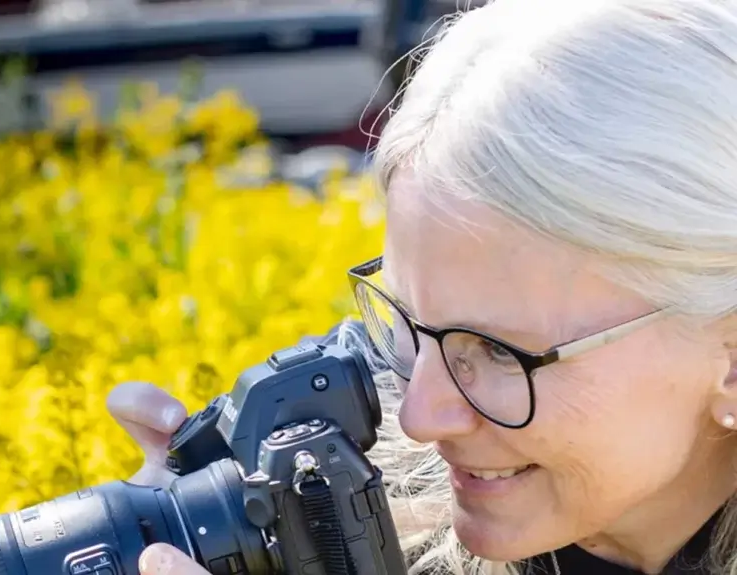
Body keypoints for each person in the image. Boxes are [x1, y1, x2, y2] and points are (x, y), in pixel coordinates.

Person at [106, 0, 737, 573]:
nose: (416, 418)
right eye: (407, 323)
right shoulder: (359, 502)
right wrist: (190, 527)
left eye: (497, 351)